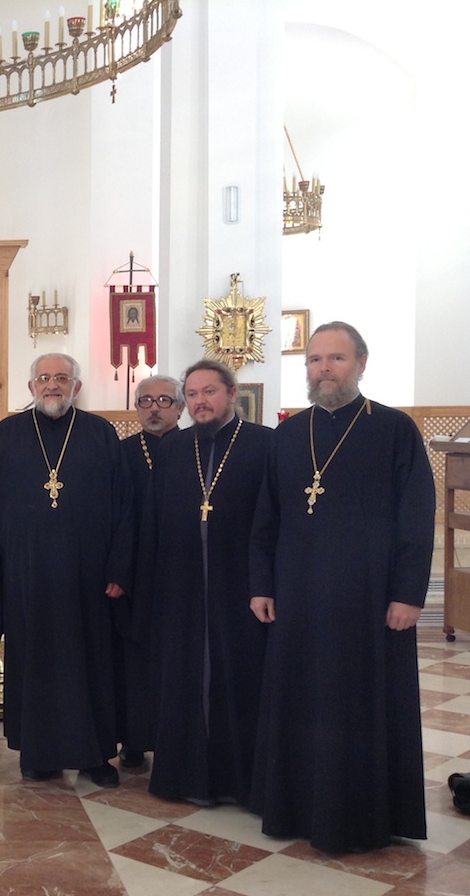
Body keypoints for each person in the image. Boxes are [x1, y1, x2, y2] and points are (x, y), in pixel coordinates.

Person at [249, 322, 435, 852]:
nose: (324, 368)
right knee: (301, 699)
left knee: (361, 702)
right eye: (315, 360)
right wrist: (262, 584)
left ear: (361, 363)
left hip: (369, 600)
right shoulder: (288, 434)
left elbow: (417, 516)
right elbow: (267, 517)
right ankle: (296, 808)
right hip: (299, 596)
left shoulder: (394, 429)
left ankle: (361, 817)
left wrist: (408, 593)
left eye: (336, 358)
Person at [0, 352, 132, 787]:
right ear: (31, 387)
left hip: (89, 576)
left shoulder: (100, 434)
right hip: (26, 573)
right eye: (44, 378)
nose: (52, 385)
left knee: (90, 661)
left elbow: (124, 507)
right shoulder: (6, 435)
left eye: (61, 377)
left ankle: (95, 755)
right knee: (33, 661)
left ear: (76, 386)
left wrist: (119, 567)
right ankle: (39, 754)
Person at [141, 361, 272, 806]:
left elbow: (273, 520)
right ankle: (183, 778)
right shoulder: (174, 448)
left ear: (232, 394)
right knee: (184, 678)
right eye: (193, 394)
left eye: (209, 391)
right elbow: (154, 518)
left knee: (239, 679)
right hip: (181, 585)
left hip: (241, 584)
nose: (200, 401)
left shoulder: (263, 445)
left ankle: (241, 782)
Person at [113, 375, 184, 768]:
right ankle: (135, 738)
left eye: (163, 400)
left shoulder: (195, 448)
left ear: (180, 407)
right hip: (134, 573)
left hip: (180, 573)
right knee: (134, 659)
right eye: (145, 401)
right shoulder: (121, 453)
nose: (154, 408)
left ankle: (177, 739)